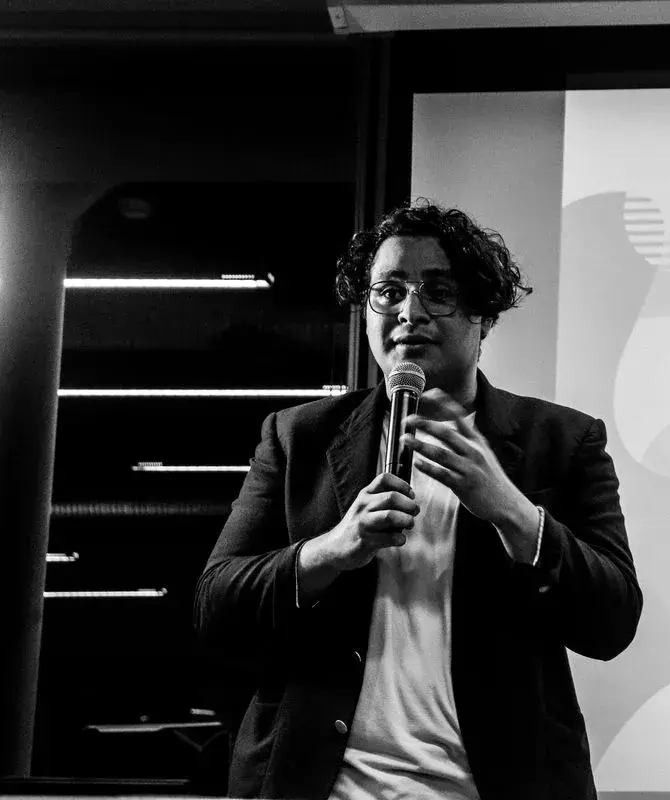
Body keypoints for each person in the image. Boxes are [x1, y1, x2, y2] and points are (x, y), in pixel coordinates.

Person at [193, 199, 642, 800]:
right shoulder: (298, 436)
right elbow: (216, 607)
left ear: (483, 315)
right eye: (389, 291)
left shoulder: (562, 440)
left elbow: (612, 623)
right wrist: (332, 550)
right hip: (321, 786)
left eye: (438, 291)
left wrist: (512, 511)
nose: (409, 311)